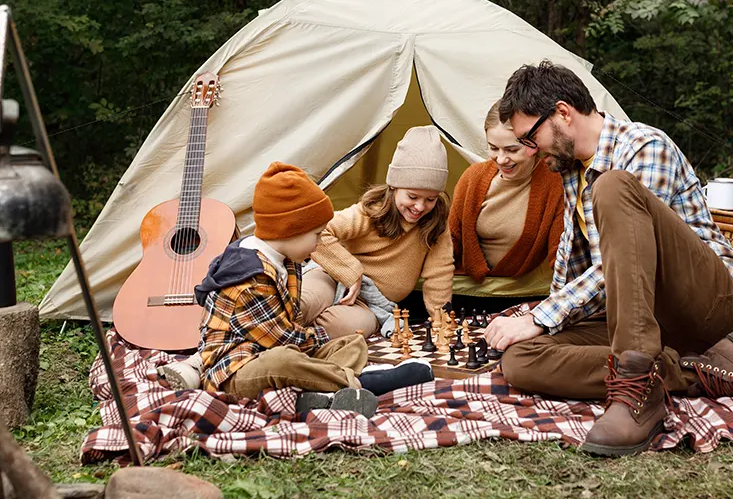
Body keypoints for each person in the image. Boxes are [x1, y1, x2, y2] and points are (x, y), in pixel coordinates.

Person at [484, 60, 733, 457]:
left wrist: (542, 316)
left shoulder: (644, 146)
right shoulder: (571, 170)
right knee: (521, 360)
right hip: (637, 317)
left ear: (562, 112)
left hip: (706, 305)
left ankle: (638, 389)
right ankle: (693, 369)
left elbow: (631, 260)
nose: (529, 150)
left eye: (529, 137)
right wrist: (540, 325)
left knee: (612, 188)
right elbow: (575, 265)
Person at [163, 162, 433, 416]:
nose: (319, 244)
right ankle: (362, 383)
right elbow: (282, 341)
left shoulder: (287, 260)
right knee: (283, 360)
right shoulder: (249, 278)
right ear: (288, 231)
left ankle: (321, 395)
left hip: (272, 348)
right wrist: (316, 341)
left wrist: (319, 343)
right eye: (316, 235)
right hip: (236, 370)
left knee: (353, 342)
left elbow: (293, 331)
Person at [300, 126, 454, 338]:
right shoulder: (371, 211)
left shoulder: (436, 224)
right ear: (393, 187)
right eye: (412, 196)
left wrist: (441, 319)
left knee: (348, 329)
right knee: (305, 303)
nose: (419, 206)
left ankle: (295, 340)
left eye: (430, 199)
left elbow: (439, 274)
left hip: (370, 304)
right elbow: (319, 231)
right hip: (330, 277)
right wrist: (350, 271)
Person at [450, 100, 563, 283]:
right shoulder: (472, 178)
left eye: (511, 150)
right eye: (493, 148)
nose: (501, 159)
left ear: (533, 144)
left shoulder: (554, 183)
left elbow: (561, 253)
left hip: (522, 291)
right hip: (468, 287)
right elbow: (451, 240)